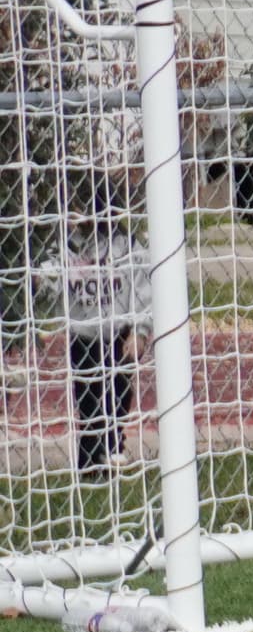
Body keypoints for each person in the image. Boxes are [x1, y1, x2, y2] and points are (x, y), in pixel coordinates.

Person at [58, 205, 143, 479]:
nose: (79, 216)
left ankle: (113, 445)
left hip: (119, 331)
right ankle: (89, 461)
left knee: (120, 390)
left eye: (84, 209)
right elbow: (51, 281)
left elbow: (143, 288)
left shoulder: (126, 245)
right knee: (88, 398)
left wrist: (140, 331)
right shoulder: (66, 245)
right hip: (83, 335)